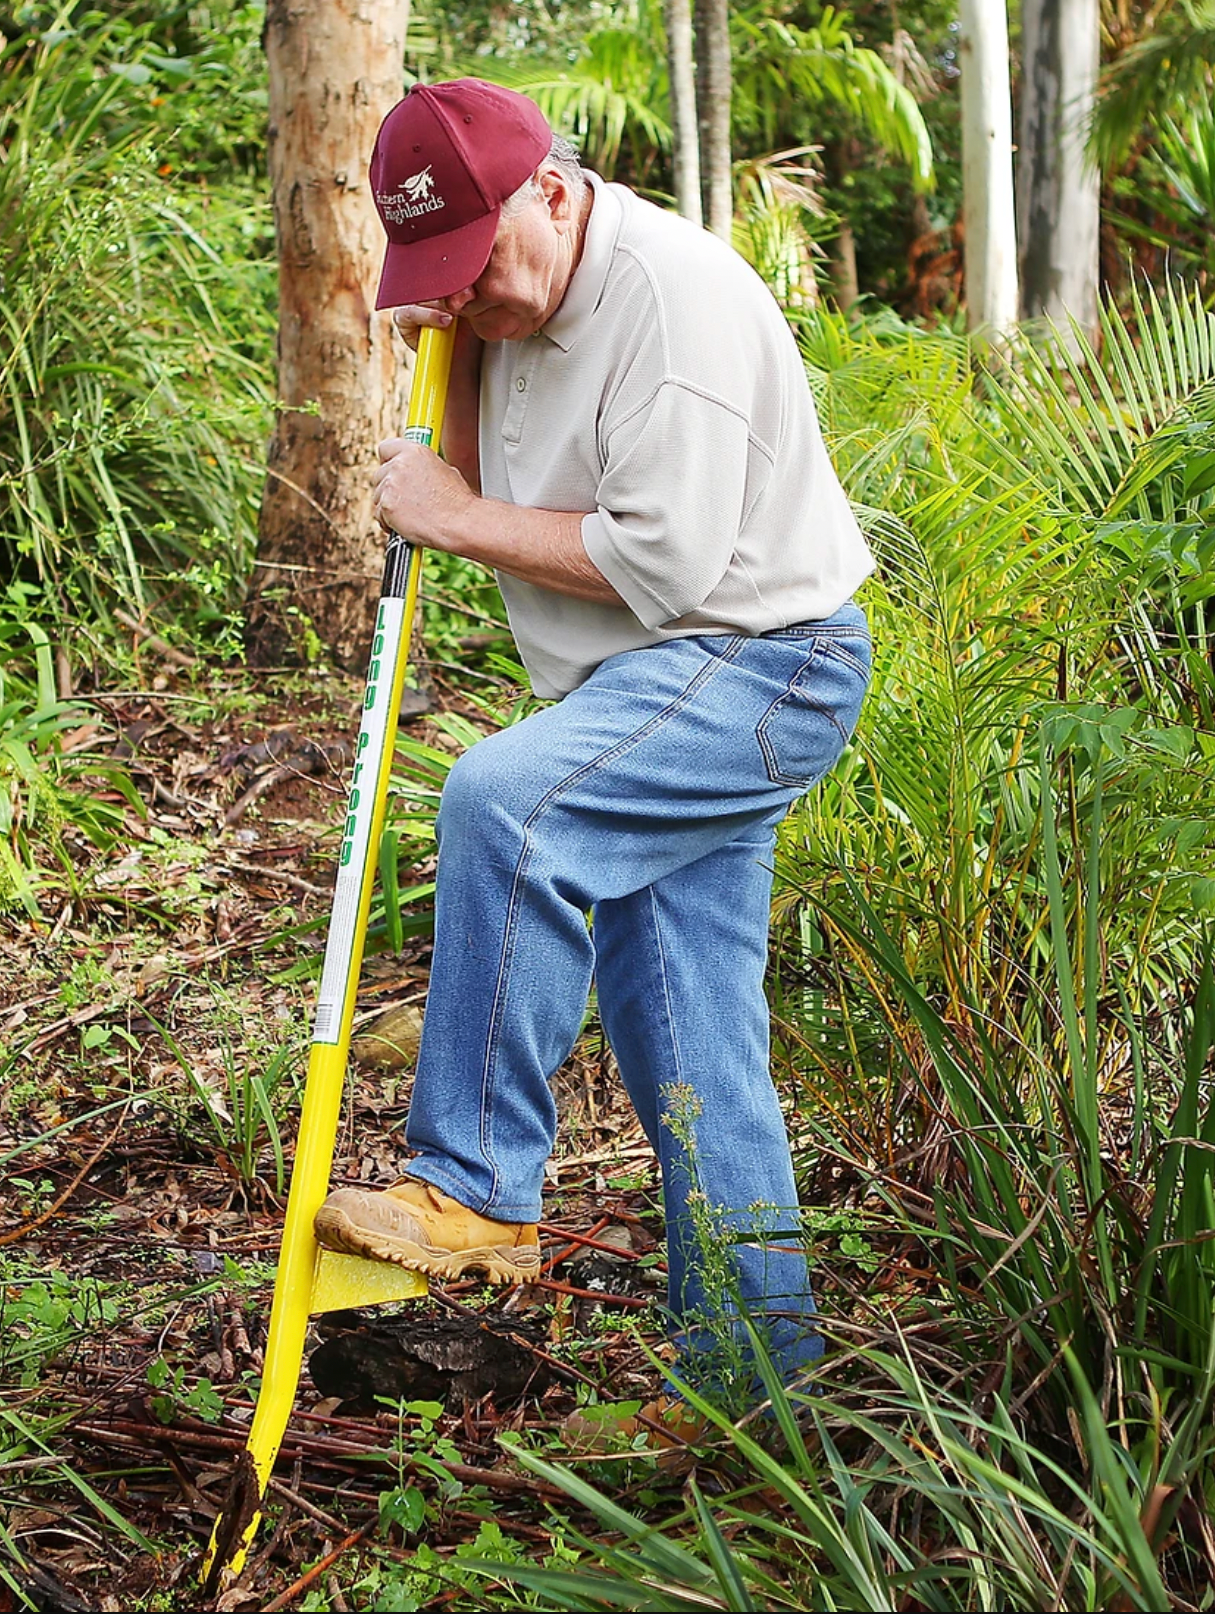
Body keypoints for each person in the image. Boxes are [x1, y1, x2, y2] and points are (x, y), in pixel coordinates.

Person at [310, 78, 875, 1419]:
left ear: (554, 192)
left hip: (758, 665)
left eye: (481, 265)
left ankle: (477, 1183)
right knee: (688, 1040)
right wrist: (438, 373)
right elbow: (481, 473)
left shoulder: (671, 304)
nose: (475, 300)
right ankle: (753, 1390)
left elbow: (660, 566)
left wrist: (441, 516)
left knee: (505, 801)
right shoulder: (501, 296)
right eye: (442, 277)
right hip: (650, 691)